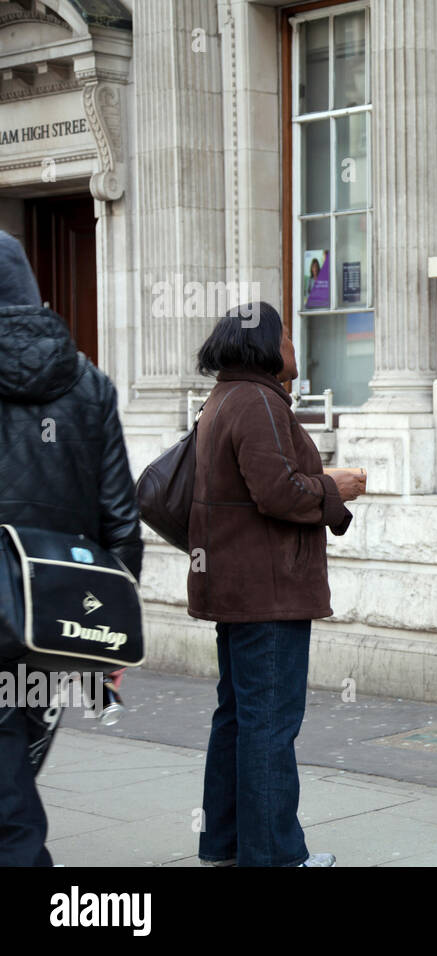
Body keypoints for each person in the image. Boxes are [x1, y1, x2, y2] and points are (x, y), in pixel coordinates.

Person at [188, 302, 366, 867]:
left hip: (238, 586)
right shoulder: (258, 401)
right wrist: (333, 487)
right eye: (286, 334)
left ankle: (225, 845)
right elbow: (278, 492)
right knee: (268, 725)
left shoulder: (224, 398)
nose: (293, 344)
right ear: (266, 345)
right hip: (267, 591)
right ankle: (273, 856)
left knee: (238, 718)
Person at [0, 231, 142, 866]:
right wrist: (107, 635)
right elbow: (121, 522)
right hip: (52, 615)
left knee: (11, 800)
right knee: (16, 764)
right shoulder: (89, 384)